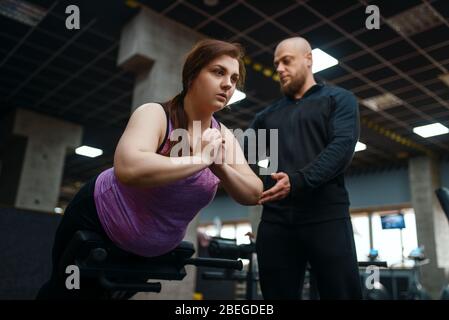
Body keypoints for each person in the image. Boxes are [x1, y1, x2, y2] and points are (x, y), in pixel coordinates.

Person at [36, 39, 263, 299]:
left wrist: (220, 166)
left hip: (145, 251)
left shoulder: (223, 136)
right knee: (63, 295)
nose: (228, 84)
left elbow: (253, 192)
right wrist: (200, 159)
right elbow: (129, 168)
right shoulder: (156, 115)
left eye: (234, 79)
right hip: (97, 220)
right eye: (218, 72)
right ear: (192, 75)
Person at [249, 37, 362, 299]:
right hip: (276, 222)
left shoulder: (339, 99)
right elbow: (248, 161)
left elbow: (342, 148)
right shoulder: (266, 117)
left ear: (309, 59)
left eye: (286, 61)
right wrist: (262, 186)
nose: (279, 68)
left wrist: (297, 181)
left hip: (327, 217)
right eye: (276, 63)